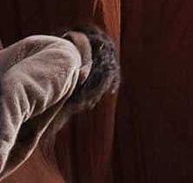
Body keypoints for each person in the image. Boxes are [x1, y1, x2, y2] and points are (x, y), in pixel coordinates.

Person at [0, 25, 120, 178]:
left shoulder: (61, 52)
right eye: (99, 92)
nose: (91, 102)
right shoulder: (68, 60)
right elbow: (15, 90)